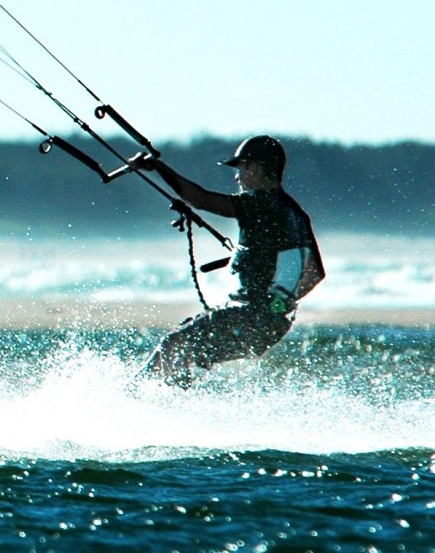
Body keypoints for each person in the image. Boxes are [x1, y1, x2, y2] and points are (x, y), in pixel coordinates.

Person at [139, 135, 324, 387]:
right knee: (188, 347)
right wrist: (278, 306)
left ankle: (130, 396)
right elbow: (314, 273)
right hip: (271, 325)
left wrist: (158, 167)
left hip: (251, 318)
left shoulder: (261, 203)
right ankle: (172, 404)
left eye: (240, 168)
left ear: (255, 168)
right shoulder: (293, 211)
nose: (236, 176)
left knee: (174, 344)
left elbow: (200, 199)